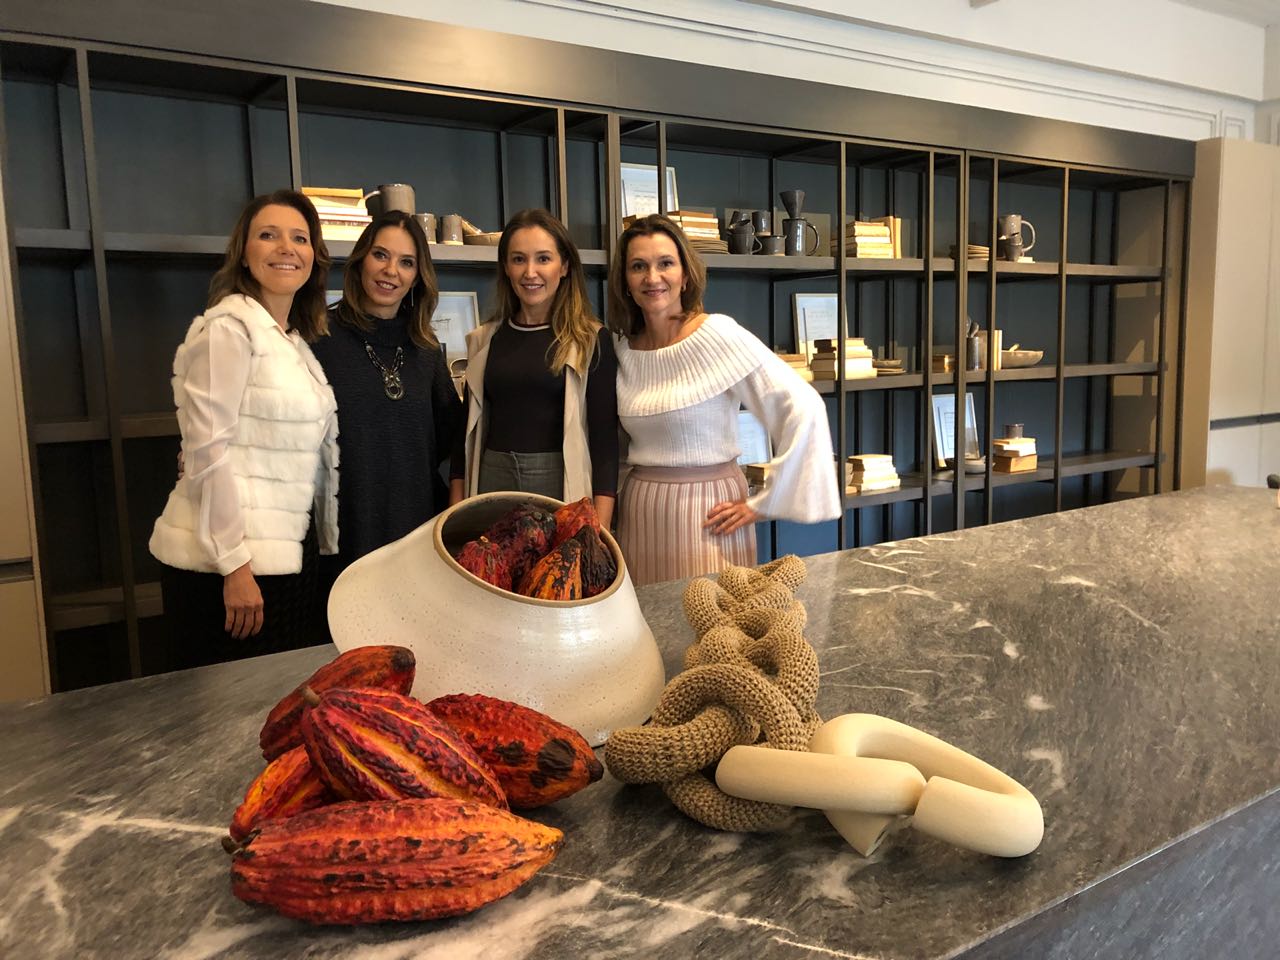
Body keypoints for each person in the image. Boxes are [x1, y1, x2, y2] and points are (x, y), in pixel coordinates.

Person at [149, 190, 338, 666]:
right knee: (233, 705)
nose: (286, 248)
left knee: (276, 694)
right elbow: (206, 454)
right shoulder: (228, 330)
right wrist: (233, 565)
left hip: (281, 554)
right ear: (244, 252)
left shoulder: (289, 340)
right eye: (268, 235)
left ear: (314, 256)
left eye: (300, 238)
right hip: (229, 565)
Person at [608, 213, 840, 586]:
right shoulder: (622, 350)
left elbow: (803, 405)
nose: (652, 277)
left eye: (665, 263)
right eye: (639, 266)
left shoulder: (717, 334)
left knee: (712, 618)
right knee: (645, 618)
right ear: (625, 282)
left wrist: (766, 501)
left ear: (685, 275)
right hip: (640, 512)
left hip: (709, 514)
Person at [310, 210, 462, 583]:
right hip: (343, 531)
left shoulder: (425, 349)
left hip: (415, 529)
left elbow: (450, 436)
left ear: (417, 276)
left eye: (406, 262)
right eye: (380, 255)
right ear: (361, 261)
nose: (390, 271)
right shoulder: (319, 338)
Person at [449, 208, 618, 525]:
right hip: (490, 486)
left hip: (561, 489)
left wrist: (601, 530)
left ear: (564, 266)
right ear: (506, 267)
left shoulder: (591, 341)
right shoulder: (483, 341)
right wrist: (455, 514)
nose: (530, 272)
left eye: (543, 258)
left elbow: (605, 446)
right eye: (518, 259)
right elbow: (463, 442)